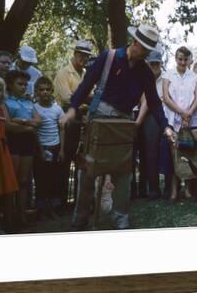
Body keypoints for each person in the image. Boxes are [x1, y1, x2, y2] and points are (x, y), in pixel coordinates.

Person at [60, 23, 175, 231]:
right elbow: (86, 84)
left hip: (123, 121)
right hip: (99, 116)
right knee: (87, 169)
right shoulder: (109, 57)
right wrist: (73, 108)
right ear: (135, 42)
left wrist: (166, 126)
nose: (146, 53)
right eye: (145, 48)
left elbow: (155, 103)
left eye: (150, 50)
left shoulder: (145, 72)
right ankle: (80, 217)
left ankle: (120, 217)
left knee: (124, 171)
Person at [53, 39, 94, 208]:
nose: (84, 59)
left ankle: (78, 201)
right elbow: (66, 99)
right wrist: (84, 99)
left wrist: (81, 99)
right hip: (69, 120)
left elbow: (91, 95)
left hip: (83, 119)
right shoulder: (64, 73)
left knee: (81, 162)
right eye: (81, 55)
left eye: (87, 56)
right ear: (74, 54)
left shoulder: (86, 74)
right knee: (65, 161)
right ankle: (60, 202)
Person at [162, 46, 197, 200]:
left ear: (189, 60)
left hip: (191, 120)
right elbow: (166, 97)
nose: (182, 62)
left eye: (185, 59)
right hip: (174, 120)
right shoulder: (168, 75)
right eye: (180, 59)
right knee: (174, 156)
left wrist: (189, 113)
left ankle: (188, 189)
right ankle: (174, 190)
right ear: (175, 58)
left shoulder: (194, 77)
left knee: (190, 154)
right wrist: (182, 112)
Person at [4, 70, 41, 225]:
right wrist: (29, 126)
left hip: (28, 143)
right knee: (11, 182)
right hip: (13, 143)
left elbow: (38, 121)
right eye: (20, 84)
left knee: (24, 181)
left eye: (25, 84)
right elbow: (8, 125)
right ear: (11, 85)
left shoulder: (29, 103)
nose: (23, 87)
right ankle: (9, 217)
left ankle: (22, 215)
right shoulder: (5, 102)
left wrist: (21, 122)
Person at [133, 49, 165, 200]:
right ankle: (137, 189)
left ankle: (153, 189)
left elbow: (148, 101)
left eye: (156, 64)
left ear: (161, 64)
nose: (154, 67)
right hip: (136, 114)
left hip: (153, 116)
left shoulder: (165, 80)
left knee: (151, 152)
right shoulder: (140, 76)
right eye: (151, 64)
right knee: (136, 153)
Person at [33, 77, 65, 220]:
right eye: (41, 90)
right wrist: (40, 150)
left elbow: (62, 129)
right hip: (41, 147)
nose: (44, 92)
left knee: (55, 178)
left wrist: (62, 150)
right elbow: (34, 131)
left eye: (47, 89)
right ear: (37, 91)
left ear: (52, 91)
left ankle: (54, 208)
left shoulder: (57, 109)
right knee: (41, 179)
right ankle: (41, 209)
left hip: (55, 147)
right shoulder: (34, 108)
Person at [0, 75, 18, 234]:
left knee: (7, 189)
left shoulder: (2, 109)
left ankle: (8, 222)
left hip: (3, 150)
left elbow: (7, 126)